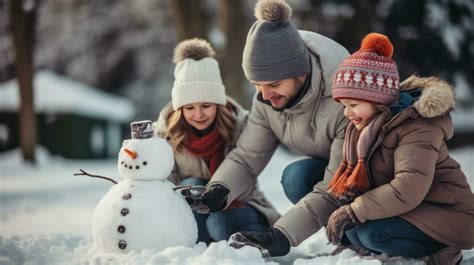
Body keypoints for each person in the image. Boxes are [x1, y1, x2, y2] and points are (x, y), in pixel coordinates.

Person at [187, 0, 350, 256]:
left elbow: (333, 187)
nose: (264, 95)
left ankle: (354, 233)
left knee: (297, 177)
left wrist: (281, 235)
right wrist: (219, 189)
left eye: (273, 84)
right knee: (298, 176)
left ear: (300, 73)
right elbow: (247, 157)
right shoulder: (267, 99)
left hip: (367, 176)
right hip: (330, 172)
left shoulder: (345, 100)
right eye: (256, 84)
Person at [323, 33, 474, 264]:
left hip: (448, 213)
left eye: (353, 105)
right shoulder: (366, 126)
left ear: (378, 100)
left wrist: (354, 211)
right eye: (344, 105)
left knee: (373, 234)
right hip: (412, 209)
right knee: (353, 232)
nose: (347, 113)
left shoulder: (418, 127)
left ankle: (443, 247)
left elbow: (407, 188)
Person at [154, 38, 280, 244]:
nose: (198, 114)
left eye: (206, 105)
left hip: (241, 203)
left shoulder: (240, 125)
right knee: (190, 184)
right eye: (189, 107)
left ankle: (257, 238)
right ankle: (202, 245)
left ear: (218, 104)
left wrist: (220, 195)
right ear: (179, 109)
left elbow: (248, 178)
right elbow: (165, 184)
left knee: (218, 224)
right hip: (193, 213)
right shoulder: (165, 133)